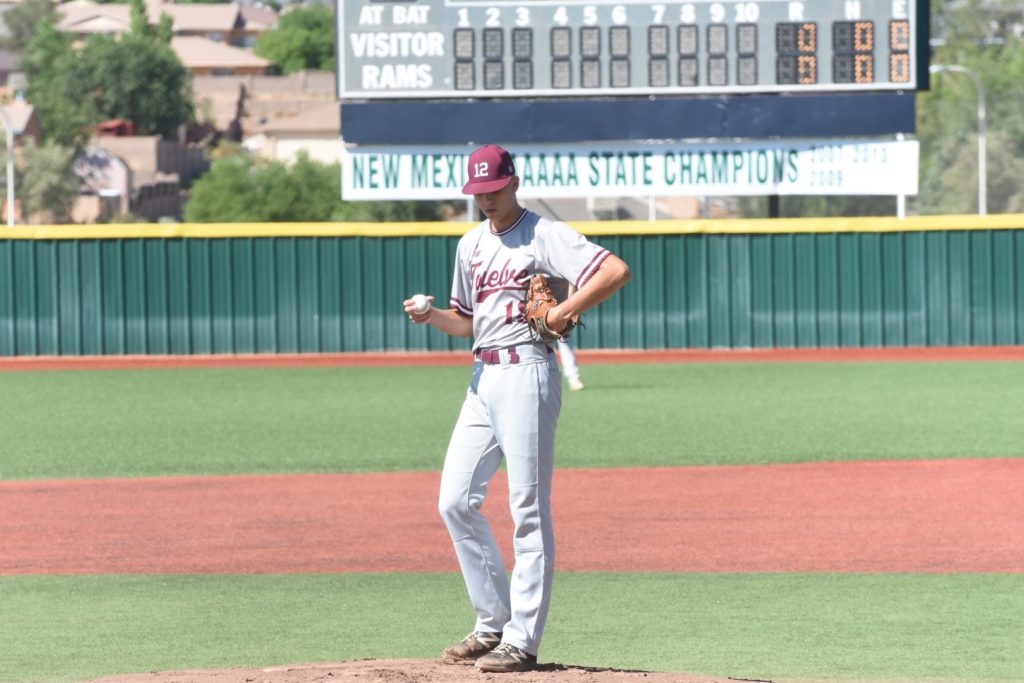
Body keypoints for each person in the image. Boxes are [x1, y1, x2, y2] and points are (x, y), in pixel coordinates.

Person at [403, 144, 630, 673]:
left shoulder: (543, 233)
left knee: (527, 511)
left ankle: (522, 640)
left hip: (529, 371)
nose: (485, 199)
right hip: (483, 375)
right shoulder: (470, 245)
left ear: (514, 182)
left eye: (493, 189)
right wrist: (433, 313)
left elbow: (615, 270)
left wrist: (565, 310)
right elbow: (467, 323)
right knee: (455, 500)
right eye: (477, 192)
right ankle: (492, 623)